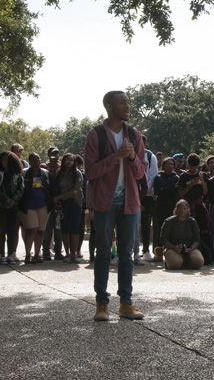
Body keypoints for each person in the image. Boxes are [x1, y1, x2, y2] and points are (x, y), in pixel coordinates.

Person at [84, 90, 146, 322]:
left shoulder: (134, 135)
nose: (127, 105)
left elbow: (140, 173)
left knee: (127, 254)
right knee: (102, 253)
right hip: (104, 203)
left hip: (130, 203)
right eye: (122, 102)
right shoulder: (96, 135)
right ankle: (102, 304)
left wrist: (131, 158)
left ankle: (126, 304)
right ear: (109, 106)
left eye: (127, 102)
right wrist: (116, 156)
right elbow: (91, 172)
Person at [19, 153, 52, 264]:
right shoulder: (24, 173)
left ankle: (37, 255)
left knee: (40, 231)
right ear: (30, 161)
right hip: (28, 206)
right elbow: (20, 189)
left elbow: (51, 189)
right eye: (33, 159)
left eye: (37, 159)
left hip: (43, 205)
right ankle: (28, 254)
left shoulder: (46, 173)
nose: (36, 161)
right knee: (31, 230)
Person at [0, 151, 24, 265]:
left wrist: (13, 200)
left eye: (7, 160)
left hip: (13, 206)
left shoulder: (17, 174)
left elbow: (21, 189)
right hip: (1, 206)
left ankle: (11, 254)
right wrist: (6, 200)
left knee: (12, 231)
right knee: (2, 230)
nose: (4, 162)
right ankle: (1, 253)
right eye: (3, 160)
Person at [177, 153, 210, 261]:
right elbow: (181, 194)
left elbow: (205, 192)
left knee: (203, 230)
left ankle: (205, 254)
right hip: (186, 207)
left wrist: (202, 181)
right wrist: (192, 184)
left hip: (200, 206)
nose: (192, 169)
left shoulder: (203, 175)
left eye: (195, 166)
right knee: (187, 230)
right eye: (191, 166)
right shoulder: (183, 176)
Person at [54, 153, 84, 263]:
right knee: (64, 229)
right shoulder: (60, 174)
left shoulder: (77, 173)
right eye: (67, 159)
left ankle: (73, 254)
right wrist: (58, 200)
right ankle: (67, 254)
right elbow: (56, 188)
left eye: (71, 160)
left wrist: (59, 197)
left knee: (74, 229)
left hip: (75, 203)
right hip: (63, 205)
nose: (69, 162)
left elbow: (75, 190)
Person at [161, 200, 205, 270]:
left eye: (184, 208)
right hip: (173, 249)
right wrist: (174, 247)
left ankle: (186, 262)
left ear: (188, 210)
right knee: (175, 264)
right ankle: (173, 261)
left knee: (199, 261)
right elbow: (164, 240)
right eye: (180, 208)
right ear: (176, 209)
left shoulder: (192, 222)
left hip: (189, 249)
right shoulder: (168, 222)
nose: (182, 211)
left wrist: (191, 248)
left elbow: (197, 240)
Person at [152, 157, 180, 263]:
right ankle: (157, 253)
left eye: (172, 164)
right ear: (163, 165)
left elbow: (176, 191)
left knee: (171, 231)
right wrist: (170, 189)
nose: (170, 166)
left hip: (172, 207)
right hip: (160, 207)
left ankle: (171, 253)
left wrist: (166, 189)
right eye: (167, 164)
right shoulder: (158, 177)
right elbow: (159, 191)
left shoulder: (176, 177)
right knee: (158, 230)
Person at [138, 136, 159, 262]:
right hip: (131, 194)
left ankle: (145, 249)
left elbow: (153, 175)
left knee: (145, 223)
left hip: (146, 196)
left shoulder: (151, 156)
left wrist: (143, 192)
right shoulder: (129, 154)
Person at [42, 146, 63, 260]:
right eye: (52, 154)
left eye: (57, 153)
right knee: (48, 229)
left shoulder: (62, 167)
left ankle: (58, 251)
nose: (55, 156)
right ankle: (45, 252)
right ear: (48, 155)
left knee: (58, 229)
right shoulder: (44, 167)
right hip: (47, 203)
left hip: (59, 203)